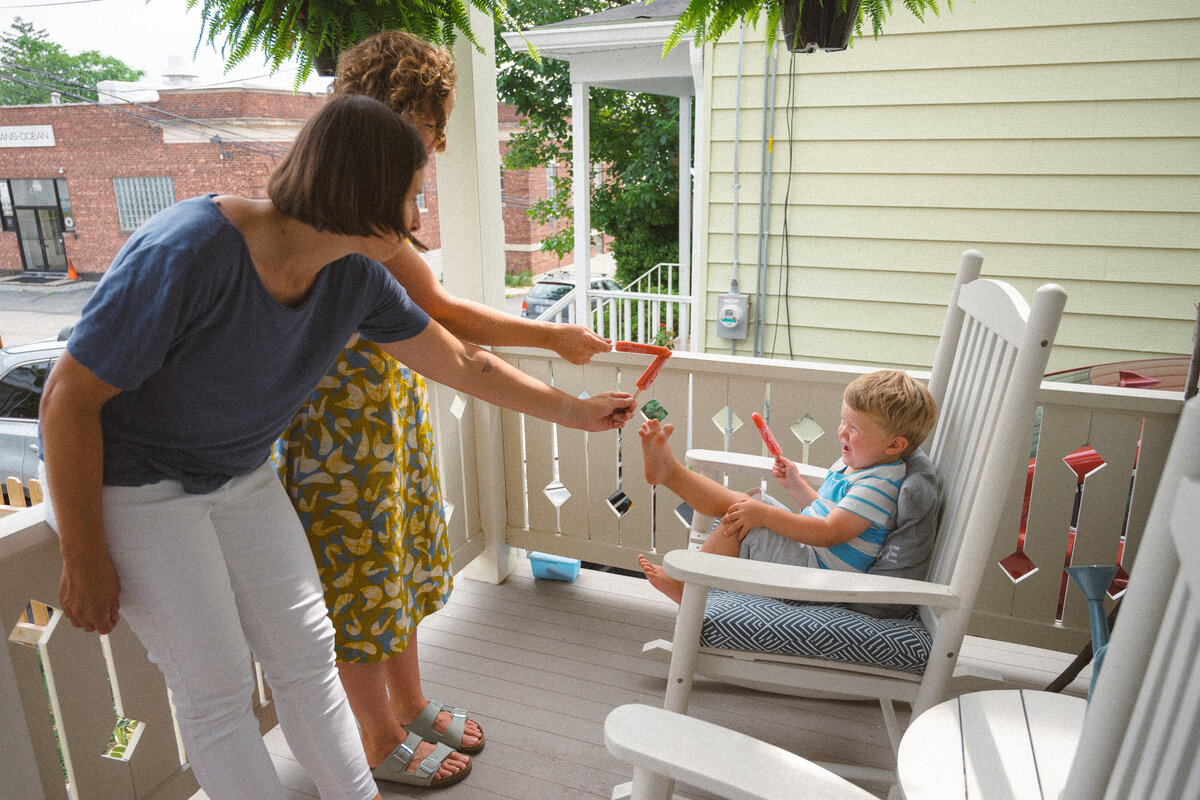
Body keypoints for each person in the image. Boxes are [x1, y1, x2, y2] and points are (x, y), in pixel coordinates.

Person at [39, 94, 633, 800]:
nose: (417, 221)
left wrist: (577, 412)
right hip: (135, 487)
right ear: (362, 191)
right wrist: (84, 553)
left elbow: (461, 363)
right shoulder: (187, 253)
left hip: (240, 475)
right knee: (218, 688)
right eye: (411, 197)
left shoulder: (353, 276)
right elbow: (65, 401)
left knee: (309, 658)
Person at [275, 31, 613, 788]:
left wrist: (553, 338)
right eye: (432, 126)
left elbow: (435, 316)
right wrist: (553, 344)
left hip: (384, 409)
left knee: (393, 572)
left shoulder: (370, 202)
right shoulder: (343, 212)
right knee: (362, 586)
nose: (436, 146)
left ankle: (412, 704)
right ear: (396, 113)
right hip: (336, 432)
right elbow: (446, 321)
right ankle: (378, 736)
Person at [637, 370, 937, 603]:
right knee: (749, 502)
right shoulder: (860, 464)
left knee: (748, 516)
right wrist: (795, 485)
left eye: (854, 428)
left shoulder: (880, 484)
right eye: (843, 420)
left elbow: (830, 532)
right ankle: (669, 473)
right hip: (813, 559)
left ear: (894, 444)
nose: (842, 431)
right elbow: (825, 513)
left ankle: (687, 589)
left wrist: (764, 516)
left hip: (822, 579)